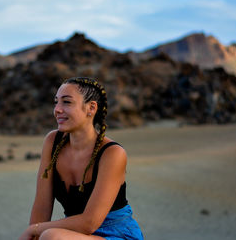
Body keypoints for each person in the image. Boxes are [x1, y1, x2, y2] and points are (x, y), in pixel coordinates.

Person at [19, 77, 143, 240]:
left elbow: (89, 223)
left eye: (66, 102)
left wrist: (35, 229)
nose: (57, 109)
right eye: (56, 102)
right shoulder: (52, 142)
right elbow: (41, 208)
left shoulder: (112, 153)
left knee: (51, 236)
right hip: (74, 234)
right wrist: (33, 231)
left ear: (91, 108)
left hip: (115, 234)